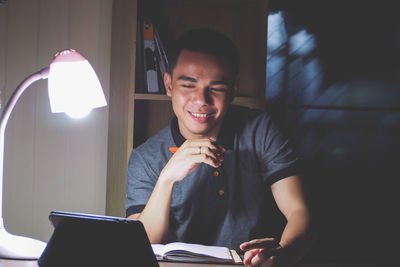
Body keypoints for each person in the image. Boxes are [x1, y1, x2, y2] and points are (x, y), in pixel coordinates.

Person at [126, 28, 315, 267]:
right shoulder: (145, 157)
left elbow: (299, 210)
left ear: (233, 90)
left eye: (216, 88)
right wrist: (167, 179)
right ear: (169, 85)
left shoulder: (260, 129)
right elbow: (143, 246)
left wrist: (283, 253)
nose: (202, 100)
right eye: (188, 85)